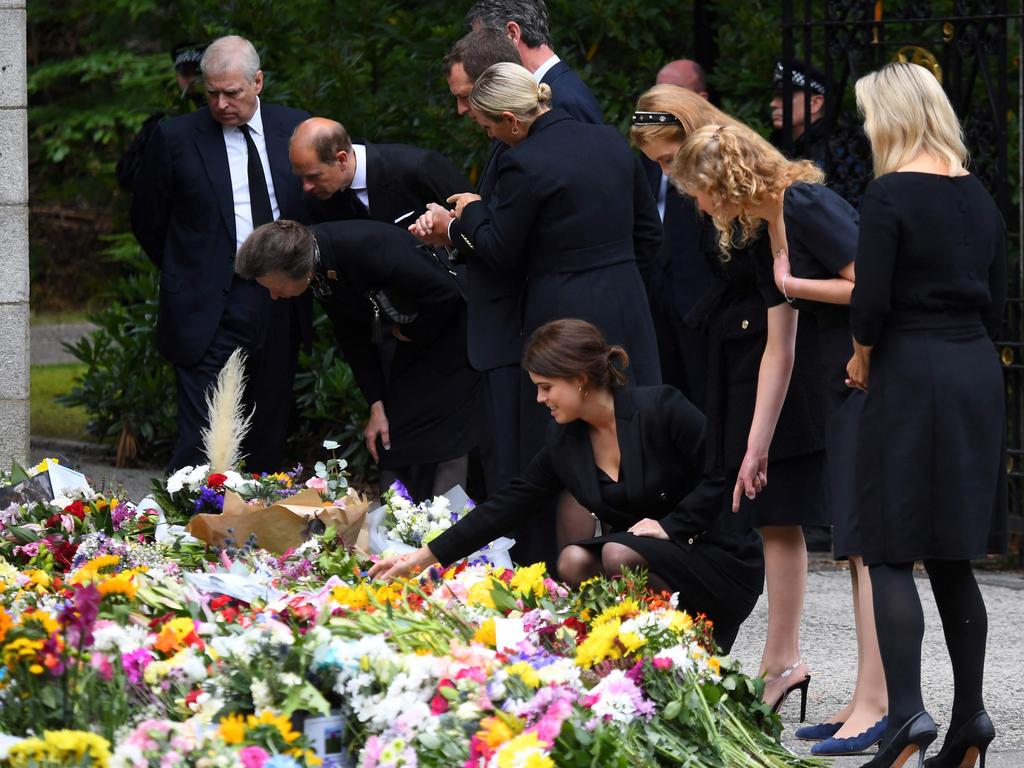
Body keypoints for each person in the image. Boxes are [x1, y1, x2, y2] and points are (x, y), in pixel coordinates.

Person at [675, 120, 890, 755]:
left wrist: (797, 286)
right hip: (832, 385)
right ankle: (865, 698)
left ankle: (878, 703)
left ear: (722, 180)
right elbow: (780, 349)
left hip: (864, 382)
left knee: (864, 547)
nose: (697, 204)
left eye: (698, 190)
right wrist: (755, 445)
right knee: (853, 544)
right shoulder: (773, 222)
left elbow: (871, 286)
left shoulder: (802, 202)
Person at [369, 319, 764, 653]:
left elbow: (725, 471)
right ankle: (640, 653)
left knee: (616, 552)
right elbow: (506, 506)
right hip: (645, 557)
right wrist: (422, 558)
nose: (540, 399)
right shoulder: (566, 444)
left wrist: (674, 525)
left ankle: (671, 649)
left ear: (578, 380)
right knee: (573, 560)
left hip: (717, 556)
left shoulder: (660, 408)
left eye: (545, 387)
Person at [635, 87, 828, 721]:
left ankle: (786, 661)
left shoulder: (784, 202)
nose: (681, 191)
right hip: (745, 351)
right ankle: (781, 660)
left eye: (672, 164)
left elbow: (805, 305)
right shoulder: (750, 202)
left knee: (783, 514)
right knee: (773, 515)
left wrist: (756, 437)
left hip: (773, 356)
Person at [846, 62, 1006, 768]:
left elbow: (871, 304)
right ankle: (970, 717)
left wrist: (857, 356)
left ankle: (907, 714)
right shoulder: (982, 198)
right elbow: (997, 300)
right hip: (972, 369)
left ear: (891, 116)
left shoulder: (888, 196)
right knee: (951, 552)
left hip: (909, 370)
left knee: (887, 547)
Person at [131, 35, 310, 474]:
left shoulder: (298, 129)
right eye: (212, 92)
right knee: (201, 444)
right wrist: (190, 269)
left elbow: (317, 202)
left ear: (258, 82)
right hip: (207, 303)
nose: (221, 103)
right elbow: (148, 220)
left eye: (232, 92)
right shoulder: (174, 138)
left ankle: (262, 537)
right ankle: (192, 535)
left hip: (280, 300)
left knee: (266, 433)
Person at [235, 220, 483, 502]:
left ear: (295, 269)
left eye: (275, 286)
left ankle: (448, 524)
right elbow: (352, 336)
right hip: (410, 338)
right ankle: (398, 521)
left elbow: (445, 292)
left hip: (456, 329)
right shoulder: (316, 271)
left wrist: (409, 331)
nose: (274, 295)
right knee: (394, 437)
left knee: (446, 440)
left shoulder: (364, 249)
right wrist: (376, 403)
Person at [434, 28, 525, 499]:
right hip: (500, 332)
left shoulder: (524, 143)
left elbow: (509, 243)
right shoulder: (505, 139)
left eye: (467, 97)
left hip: (518, 331)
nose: (462, 110)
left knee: (518, 466)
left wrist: (460, 222)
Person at [632, 80, 717, 410]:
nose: (666, 172)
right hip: (671, 299)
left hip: (708, 309)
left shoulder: (720, 169)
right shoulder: (667, 163)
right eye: (657, 163)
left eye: (668, 159)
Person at [289, 117, 469, 229]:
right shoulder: (315, 200)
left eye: (313, 176)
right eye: (301, 177)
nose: (306, 187)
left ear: (341, 159)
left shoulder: (417, 167)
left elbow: (473, 221)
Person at [464, 0, 603, 123]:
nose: (479, 54)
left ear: (512, 33)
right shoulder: (554, 91)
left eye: (484, 42)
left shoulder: (568, 100)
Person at [116, 42, 207, 193]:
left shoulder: (225, 114)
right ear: (177, 75)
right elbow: (127, 173)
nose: (192, 80)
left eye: (197, 73)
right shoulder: (161, 120)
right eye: (186, 73)